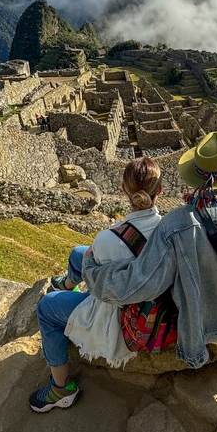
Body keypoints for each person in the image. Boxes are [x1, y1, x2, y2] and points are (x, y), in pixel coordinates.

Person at [30, 131, 217, 413]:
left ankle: (60, 384)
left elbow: (137, 285)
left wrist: (91, 269)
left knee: (63, 286)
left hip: (204, 327)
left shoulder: (177, 225)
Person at [29, 157, 163, 412]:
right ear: (161, 191)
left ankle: (61, 389)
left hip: (120, 314)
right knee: (78, 253)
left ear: (123, 190)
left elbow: (98, 272)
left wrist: (95, 256)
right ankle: (67, 284)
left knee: (46, 308)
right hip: (144, 292)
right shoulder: (167, 227)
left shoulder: (109, 239)